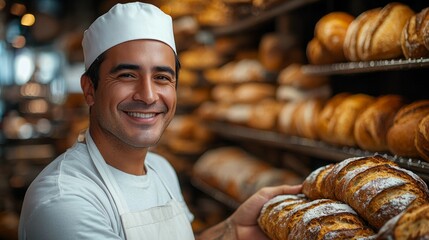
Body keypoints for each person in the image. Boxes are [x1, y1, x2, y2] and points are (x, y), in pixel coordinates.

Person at [18, 2, 301, 239]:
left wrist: (232, 230)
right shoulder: (65, 202)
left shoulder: (160, 169)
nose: (148, 95)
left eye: (162, 78)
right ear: (90, 89)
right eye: (127, 75)